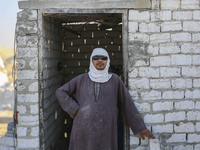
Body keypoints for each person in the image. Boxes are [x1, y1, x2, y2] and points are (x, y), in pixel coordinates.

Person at [56, 48, 155, 150]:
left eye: (103, 58)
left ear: (107, 61)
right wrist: (74, 108)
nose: (100, 60)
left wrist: (140, 127)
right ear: (91, 60)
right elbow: (60, 92)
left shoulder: (115, 80)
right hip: (83, 129)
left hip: (107, 128)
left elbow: (127, 103)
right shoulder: (81, 79)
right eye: (96, 58)